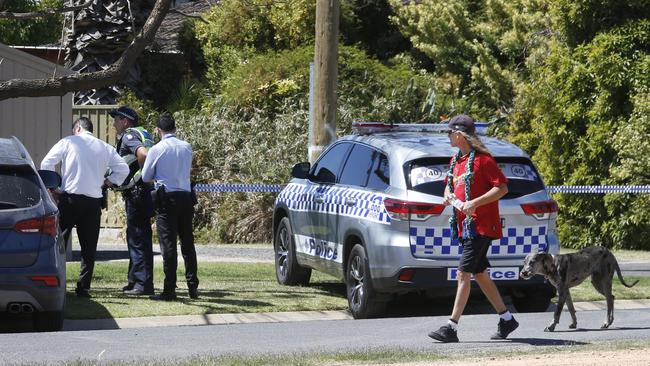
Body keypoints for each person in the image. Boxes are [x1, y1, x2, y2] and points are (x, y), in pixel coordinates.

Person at [428, 114, 517, 343]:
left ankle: (451, 327)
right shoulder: (456, 161)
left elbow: (502, 188)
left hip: (481, 226)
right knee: (480, 273)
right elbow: (448, 187)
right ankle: (507, 319)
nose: (448, 136)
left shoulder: (483, 161)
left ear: (459, 135)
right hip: (465, 227)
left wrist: (474, 203)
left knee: (463, 273)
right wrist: (448, 197)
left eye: (450, 132)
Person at [41, 117, 129, 298]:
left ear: (78, 128)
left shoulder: (68, 142)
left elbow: (46, 163)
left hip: (69, 199)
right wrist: (109, 182)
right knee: (89, 247)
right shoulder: (105, 147)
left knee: (60, 244)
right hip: (93, 201)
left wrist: (53, 188)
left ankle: (58, 283)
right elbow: (123, 169)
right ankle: (84, 287)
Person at [142, 113, 199, 301]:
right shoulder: (187, 147)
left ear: (158, 130)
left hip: (166, 198)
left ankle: (169, 289)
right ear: (175, 128)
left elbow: (146, 177)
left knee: (168, 246)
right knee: (188, 243)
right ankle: (192, 285)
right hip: (186, 196)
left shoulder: (157, 149)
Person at [110, 105, 155, 296]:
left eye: (116, 119)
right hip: (142, 194)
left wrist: (143, 178)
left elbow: (143, 154)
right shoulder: (143, 133)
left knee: (138, 239)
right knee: (137, 238)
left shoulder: (129, 136)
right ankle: (135, 280)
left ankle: (142, 285)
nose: (114, 123)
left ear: (125, 121)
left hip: (137, 194)